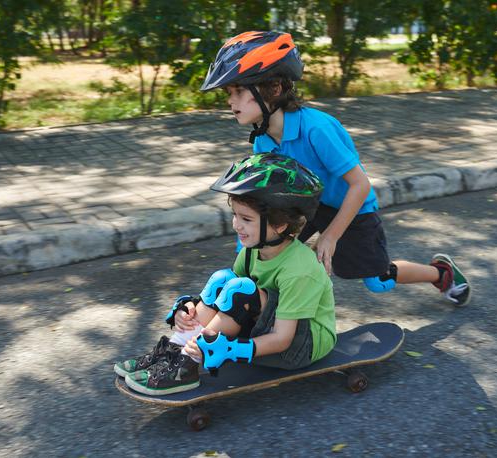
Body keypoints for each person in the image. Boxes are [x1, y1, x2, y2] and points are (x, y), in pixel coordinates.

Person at [200, 30, 471, 306]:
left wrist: (330, 236)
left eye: (239, 91)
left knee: (379, 282)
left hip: (350, 206)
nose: (230, 101)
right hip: (307, 206)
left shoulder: (317, 129)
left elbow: (360, 184)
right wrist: (248, 248)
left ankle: (441, 273)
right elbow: (267, 194)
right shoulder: (263, 139)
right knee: (266, 252)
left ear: (274, 89)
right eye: (228, 92)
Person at [114, 153, 337, 395]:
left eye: (246, 219)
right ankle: (175, 350)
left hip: (300, 347)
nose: (236, 225)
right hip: (271, 330)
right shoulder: (252, 251)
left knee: (242, 291)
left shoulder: (299, 270)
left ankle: (189, 364)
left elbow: (282, 339)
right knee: (223, 280)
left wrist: (232, 349)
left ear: (280, 225)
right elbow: (226, 301)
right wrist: (190, 313)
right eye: (235, 215)